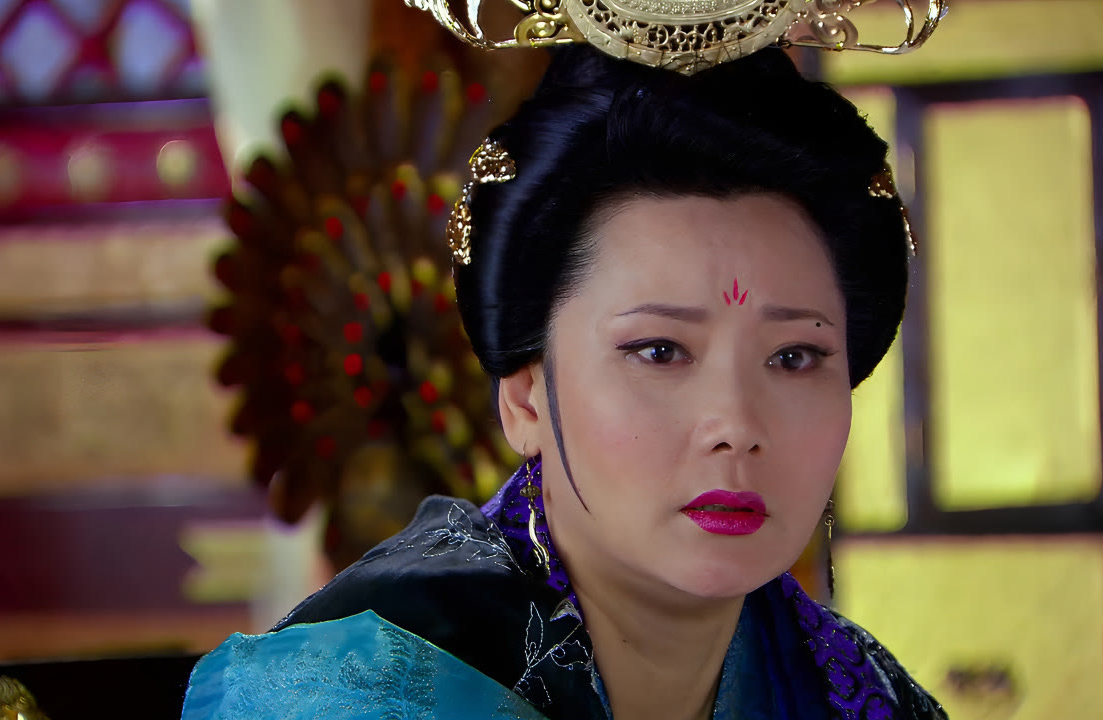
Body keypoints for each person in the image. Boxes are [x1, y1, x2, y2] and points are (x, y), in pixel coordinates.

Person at [181, 9, 949, 720]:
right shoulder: (356, 694)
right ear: (525, 397)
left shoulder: (869, 698)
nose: (736, 424)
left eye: (795, 356)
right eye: (659, 351)